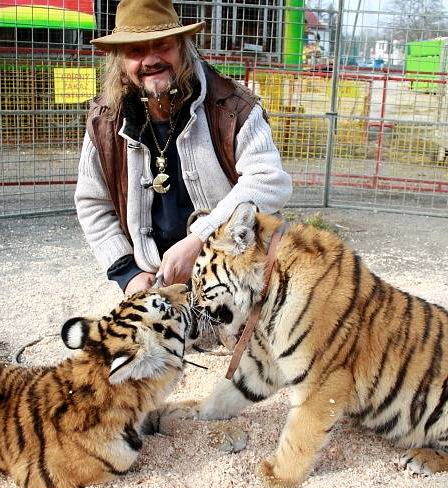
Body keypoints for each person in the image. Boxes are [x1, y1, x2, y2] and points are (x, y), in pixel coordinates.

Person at [75, 0, 292, 295]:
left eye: (162, 45)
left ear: (183, 48)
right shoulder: (105, 122)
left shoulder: (234, 107)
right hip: (153, 278)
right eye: (136, 51)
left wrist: (201, 240)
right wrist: (128, 272)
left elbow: (269, 181)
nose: (150, 60)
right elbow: (92, 204)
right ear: (121, 63)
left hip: (234, 269)